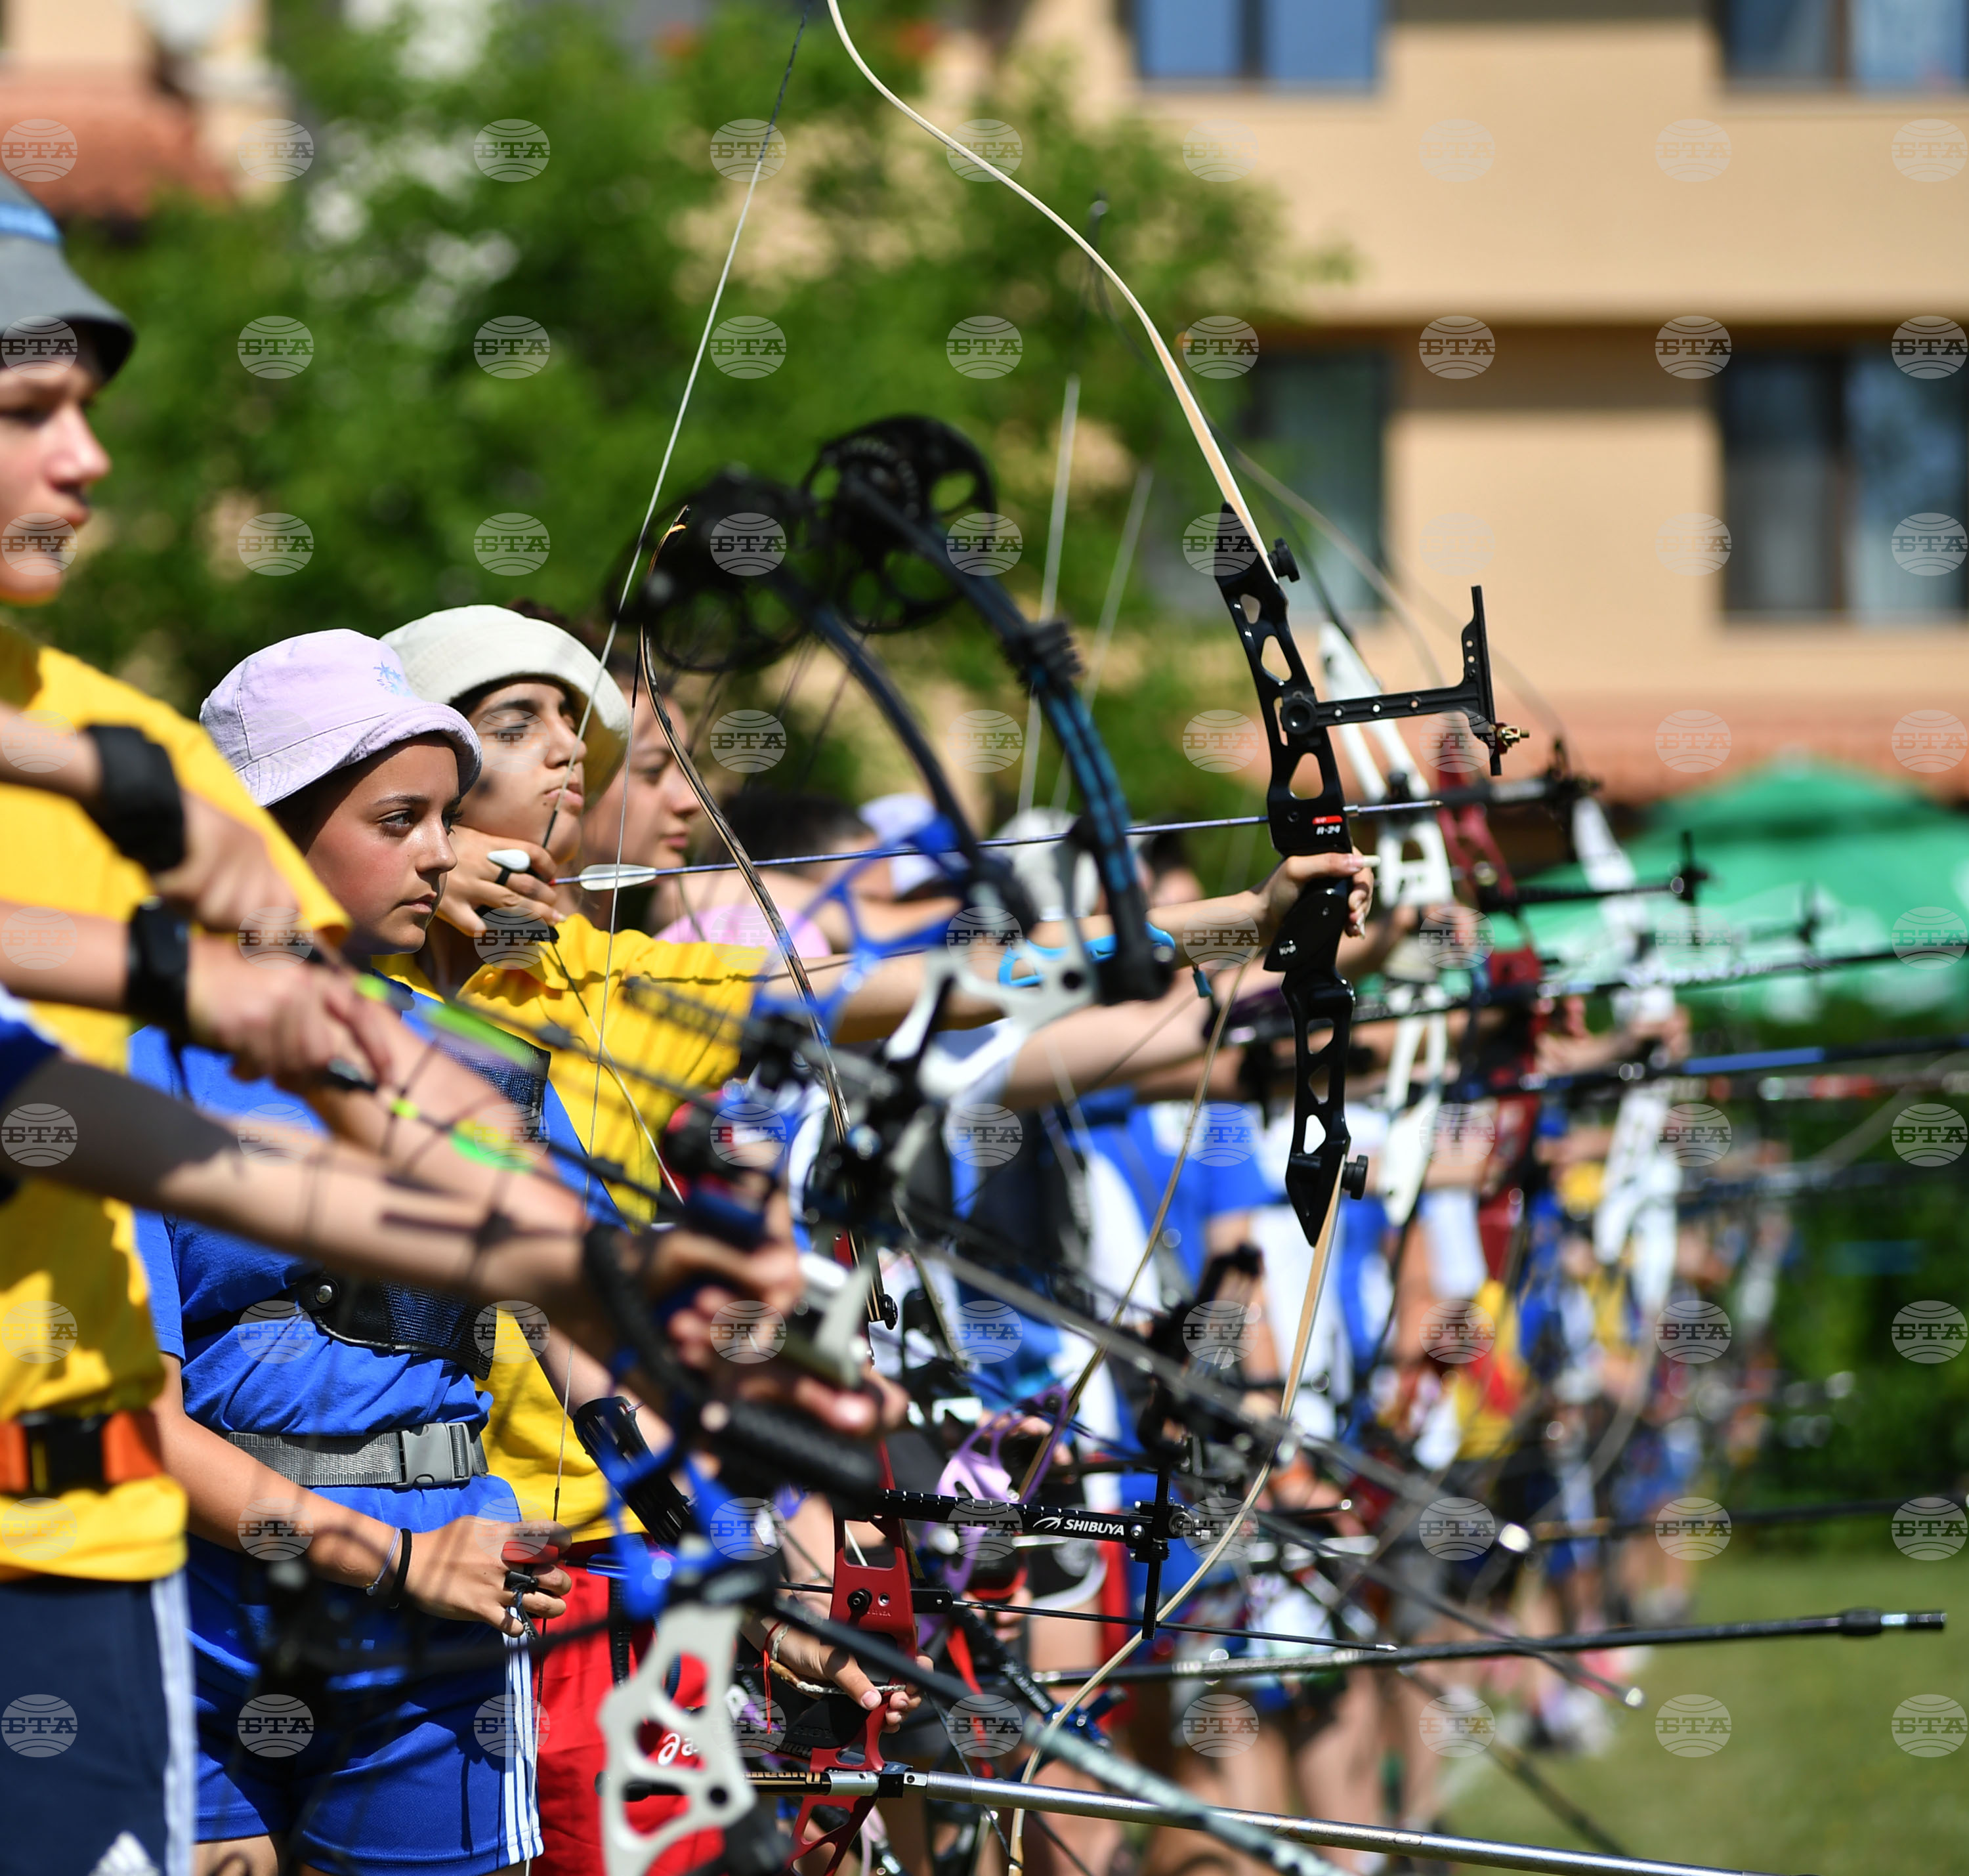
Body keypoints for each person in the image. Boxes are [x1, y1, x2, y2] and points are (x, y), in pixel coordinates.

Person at [0, 175, 419, 1876]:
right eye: (27, 412)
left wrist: (559, 1237)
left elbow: (365, 1070)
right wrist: (168, 974)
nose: (86, 461)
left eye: (83, 411)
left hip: (77, 1566)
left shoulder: (145, 763)